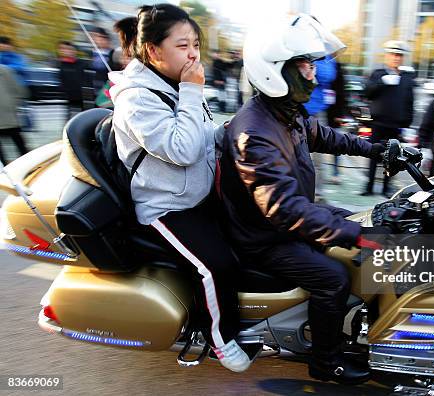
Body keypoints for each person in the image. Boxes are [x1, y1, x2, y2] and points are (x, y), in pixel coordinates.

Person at [220, 14, 385, 385]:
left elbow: (326, 136)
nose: (314, 74)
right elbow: (283, 208)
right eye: (306, 66)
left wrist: (379, 150)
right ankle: (326, 362)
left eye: (313, 64)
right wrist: (352, 236)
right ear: (275, 71)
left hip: (287, 219)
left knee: (372, 218)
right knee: (333, 277)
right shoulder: (255, 132)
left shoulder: (284, 113)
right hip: (265, 237)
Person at [110, 4, 250, 373]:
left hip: (197, 194)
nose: (193, 54)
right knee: (215, 265)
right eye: (183, 45)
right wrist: (191, 91)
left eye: (196, 45)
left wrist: (239, 133)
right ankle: (219, 338)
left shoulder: (174, 84)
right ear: (154, 51)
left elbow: (203, 134)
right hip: (164, 206)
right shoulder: (137, 97)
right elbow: (182, 150)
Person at [362, 40, 414, 198]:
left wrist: (407, 122)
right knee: (373, 155)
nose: (396, 58)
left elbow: (409, 100)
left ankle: (386, 188)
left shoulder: (406, 77)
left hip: (395, 124)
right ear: (387, 56)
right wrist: (381, 82)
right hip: (378, 122)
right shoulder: (378, 73)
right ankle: (369, 186)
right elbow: (367, 93)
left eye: (399, 55)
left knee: (392, 157)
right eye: (393, 55)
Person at [305, 54, 338, 194]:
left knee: (317, 155)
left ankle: (317, 192)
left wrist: (313, 67)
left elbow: (328, 75)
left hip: (317, 111)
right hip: (295, 109)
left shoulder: (325, 57)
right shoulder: (300, 50)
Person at [0, 65, 29, 164]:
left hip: (7, 113)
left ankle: (28, 164)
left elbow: (18, 89)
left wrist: (13, 104)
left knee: (19, 142)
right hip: (7, 113)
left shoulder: (4, 70)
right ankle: (5, 169)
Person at [325, 60, 348, 185]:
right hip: (320, 110)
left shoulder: (337, 66)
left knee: (335, 146)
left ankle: (336, 174)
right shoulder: (316, 63)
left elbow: (342, 93)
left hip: (334, 114)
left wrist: (340, 114)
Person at [57, 41, 87, 121]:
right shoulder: (60, 64)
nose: (66, 51)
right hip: (68, 95)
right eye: (63, 49)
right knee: (69, 117)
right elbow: (61, 79)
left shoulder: (82, 63)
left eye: (69, 49)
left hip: (82, 95)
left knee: (84, 116)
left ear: (74, 51)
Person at [90, 27, 112, 93]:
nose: (98, 40)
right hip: (94, 86)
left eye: (100, 37)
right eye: (95, 37)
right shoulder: (91, 53)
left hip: (107, 86)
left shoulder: (112, 53)